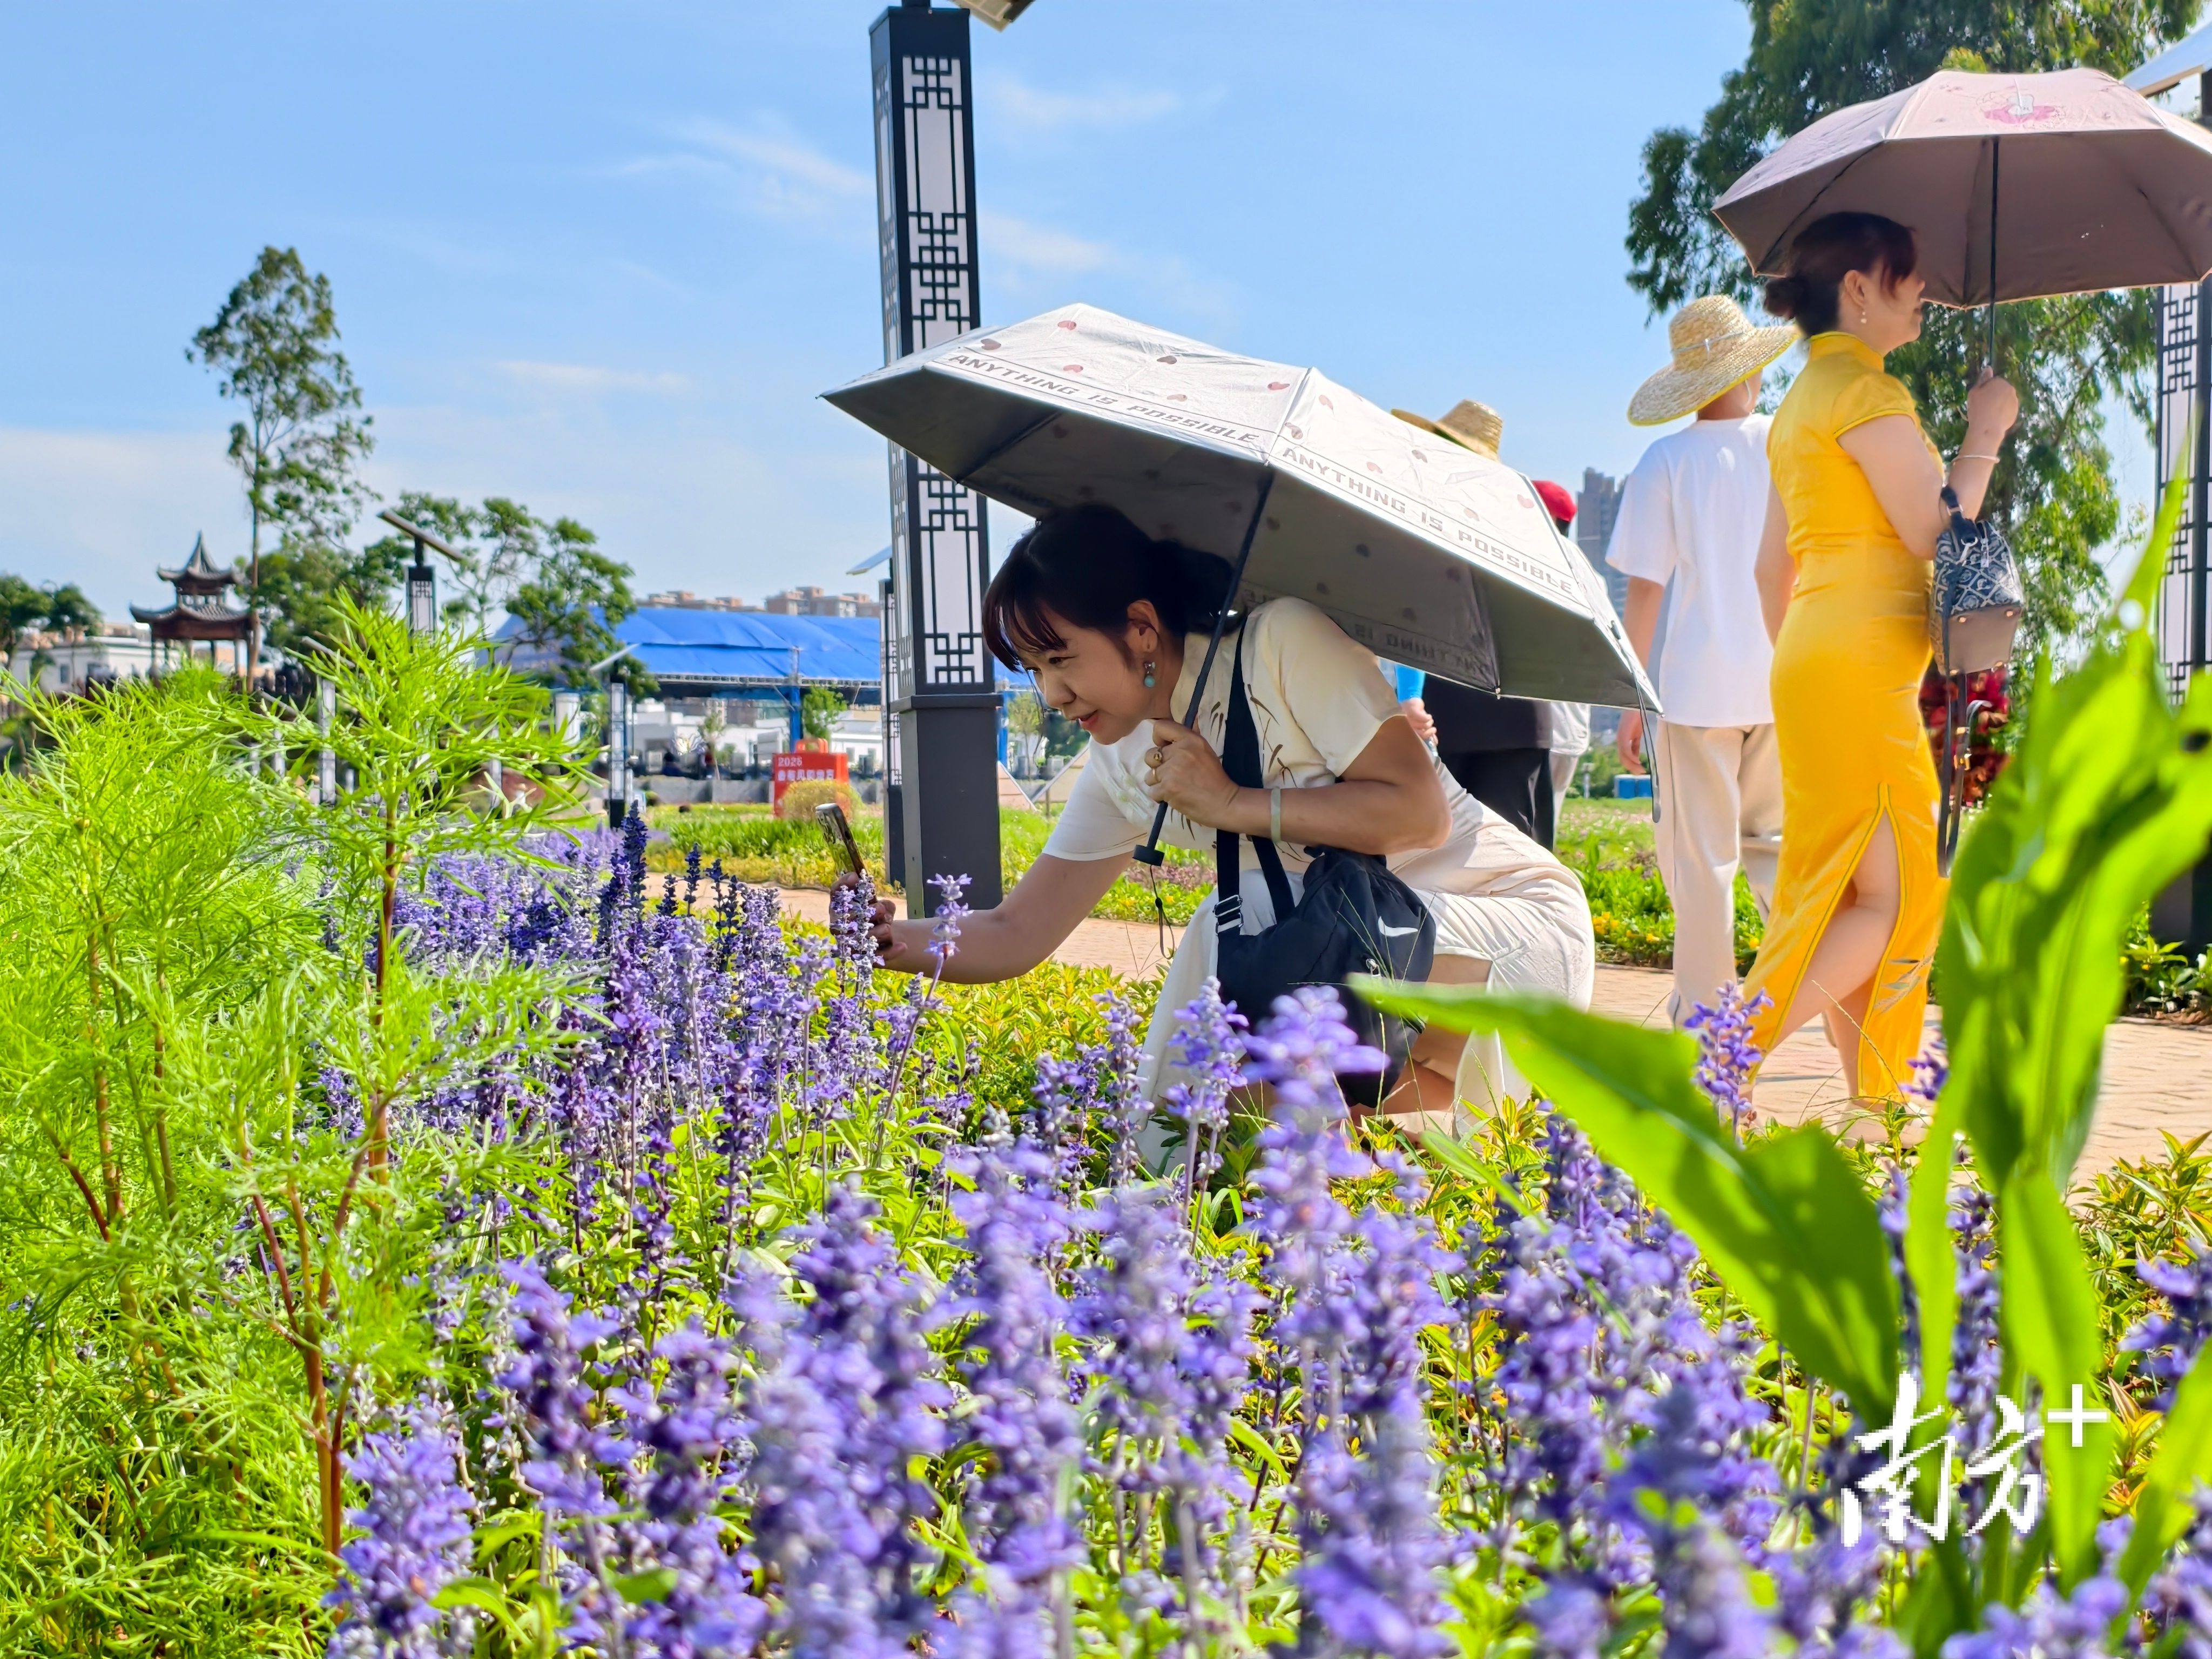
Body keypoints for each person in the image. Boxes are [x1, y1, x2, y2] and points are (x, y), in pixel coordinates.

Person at [865, 504, 1596, 1121]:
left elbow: (1420, 818)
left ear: (1141, 629)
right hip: (1352, 961)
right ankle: (1190, 1167)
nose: (1051, 695)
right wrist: (884, 942)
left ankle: (1182, 1155)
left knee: (1244, 913)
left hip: (1500, 924)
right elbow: (1016, 932)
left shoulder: (1282, 643)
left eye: (1062, 660)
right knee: (1248, 1086)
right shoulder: (1125, 758)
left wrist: (1231, 803)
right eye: (1034, 670)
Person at [1742, 212, 2018, 1101]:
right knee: (1900, 896)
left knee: (1846, 891)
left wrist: (1814, 663)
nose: (1924, 291)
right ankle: (1716, 1069)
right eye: (1907, 274)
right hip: (1861, 669)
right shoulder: (1866, 393)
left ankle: (1876, 1108)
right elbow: (1933, 533)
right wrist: (1986, 432)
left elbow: (1769, 570)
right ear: (1857, 289)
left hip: (1815, 657)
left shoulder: (1799, 404)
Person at [1607, 294, 1795, 1023]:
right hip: (1783, 676)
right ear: (1750, 369)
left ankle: (1709, 1026)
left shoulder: (1663, 461)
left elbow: (1645, 592)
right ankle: (1802, 992)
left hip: (1693, 690)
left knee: (1704, 865)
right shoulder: (1785, 443)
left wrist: (1632, 697)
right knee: (1778, 850)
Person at [1389, 400, 1570, 846]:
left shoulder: (1423, 520)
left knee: (1451, 858)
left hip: (1459, 709)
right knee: (1511, 858)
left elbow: (1412, 609)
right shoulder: (1519, 526)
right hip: (1510, 711)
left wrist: (1408, 695)